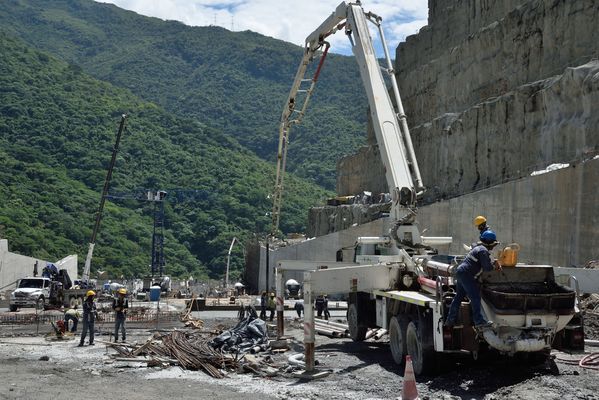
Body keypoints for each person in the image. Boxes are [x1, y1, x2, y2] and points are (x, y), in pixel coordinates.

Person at [445, 230, 502, 329]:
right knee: (475, 297)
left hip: (461, 272)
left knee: (458, 297)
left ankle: (450, 320)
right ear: (490, 243)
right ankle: (479, 321)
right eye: (493, 244)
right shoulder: (483, 251)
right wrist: (495, 267)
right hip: (467, 275)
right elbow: (487, 268)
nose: (494, 247)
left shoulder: (478, 248)